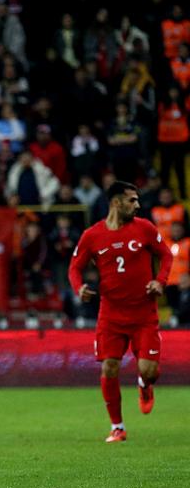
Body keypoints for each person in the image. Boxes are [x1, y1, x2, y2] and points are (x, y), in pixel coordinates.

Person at [68, 181, 173, 443]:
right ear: (116, 203)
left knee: (149, 370)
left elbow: (167, 255)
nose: (137, 205)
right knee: (109, 368)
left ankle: (144, 386)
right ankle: (118, 426)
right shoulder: (92, 235)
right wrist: (79, 288)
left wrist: (160, 281)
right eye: (132, 200)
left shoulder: (145, 228)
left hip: (143, 314)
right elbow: (74, 267)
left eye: (137, 200)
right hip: (111, 315)